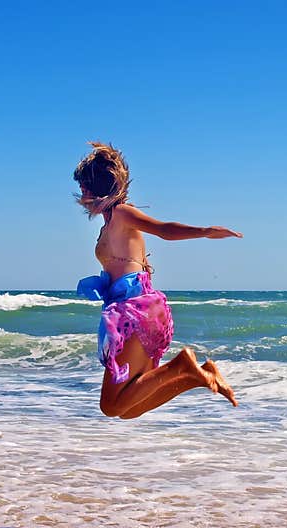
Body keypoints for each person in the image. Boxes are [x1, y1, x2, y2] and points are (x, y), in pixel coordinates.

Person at [74, 141, 241, 419]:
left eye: (84, 186)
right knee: (128, 409)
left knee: (110, 405)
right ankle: (197, 376)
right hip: (133, 310)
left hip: (133, 313)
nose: (81, 193)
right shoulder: (109, 224)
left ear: (97, 188)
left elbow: (163, 230)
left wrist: (205, 231)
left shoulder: (121, 213)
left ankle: (182, 366)